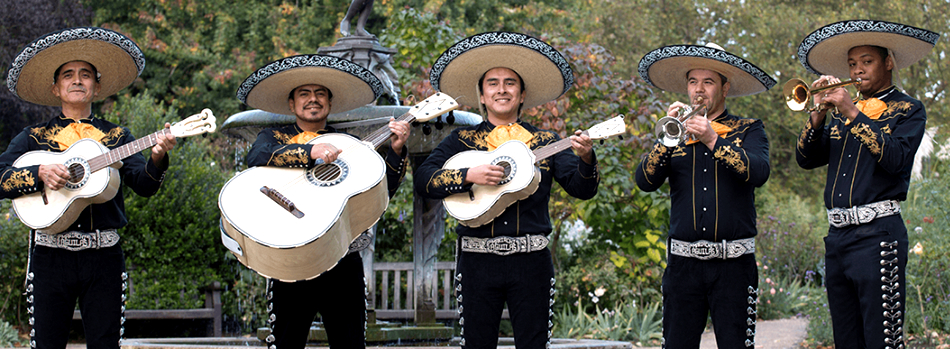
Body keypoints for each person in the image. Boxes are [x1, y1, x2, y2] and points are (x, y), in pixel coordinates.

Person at [415, 32, 599, 348]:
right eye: (493, 83)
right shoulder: (460, 142)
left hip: (531, 260)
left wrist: (586, 157)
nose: (502, 89)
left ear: (522, 94)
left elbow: (582, 189)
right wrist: (468, 175)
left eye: (510, 82)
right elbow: (424, 181)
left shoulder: (547, 142)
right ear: (483, 96)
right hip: (476, 259)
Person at [1, 27, 177, 348]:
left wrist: (158, 155)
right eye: (68, 75)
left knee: (105, 344)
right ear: (56, 88)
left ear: (96, 87)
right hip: (50, 256)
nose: (77, 80)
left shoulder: (117, 137)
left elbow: (144, 184)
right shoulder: (33, 137)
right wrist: (39, 172)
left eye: (85, 75)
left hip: (104, 256)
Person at [234, 54, 410, 349]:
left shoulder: (348, 143)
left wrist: (396, 151)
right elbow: (256, 157)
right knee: (287, 344)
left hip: (342, 259)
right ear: (292, 104)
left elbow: (383, 190)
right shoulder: (273, 135)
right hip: (291, 258)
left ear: (329, 103)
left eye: (320, 94)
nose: (312, 100)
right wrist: (310, 151)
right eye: (304, 94)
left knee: (351, 344)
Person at [794, 20, 939, 349]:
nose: (858, 70)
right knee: (846, 339)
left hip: (878, 236)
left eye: (867, 61)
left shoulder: (908, 109)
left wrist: (849, 109)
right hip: (838, 239)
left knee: (882, 340)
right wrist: (817, 116)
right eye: (852, 64)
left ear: (888, 62)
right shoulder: (840, 114)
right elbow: (805, 159)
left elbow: (896, 159)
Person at [635, 43, 775, 348]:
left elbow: (759, 172)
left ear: (725, 88)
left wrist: (711, 138)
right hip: (683, 266)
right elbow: (644, 181)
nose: (699, 90)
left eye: (708, 82)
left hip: (734, 264)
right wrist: (666, 138)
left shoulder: (749, 129)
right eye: (693, 82)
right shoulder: (675, 136)